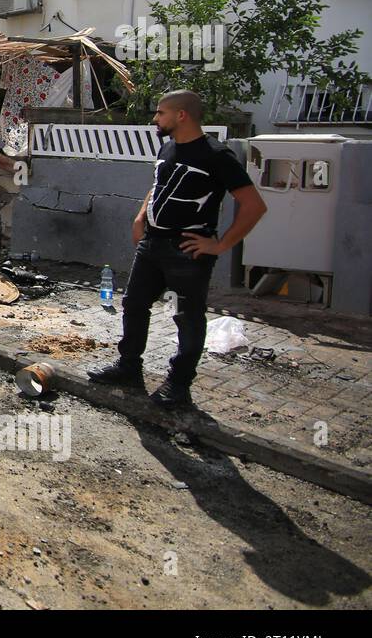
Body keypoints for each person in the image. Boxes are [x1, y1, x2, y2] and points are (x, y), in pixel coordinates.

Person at [88, 90, 267, 408]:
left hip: (188, 250)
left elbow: (254, 205)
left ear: (181, 115)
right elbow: (159, 184)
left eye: (160, 113)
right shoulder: (168, 147)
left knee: (188, 317)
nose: (155, 118)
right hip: (151, 245)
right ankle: (129, 367)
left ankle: (179, 385)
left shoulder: (216, 155)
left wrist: (220, 244)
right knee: (134, 304)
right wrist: (141, 215)